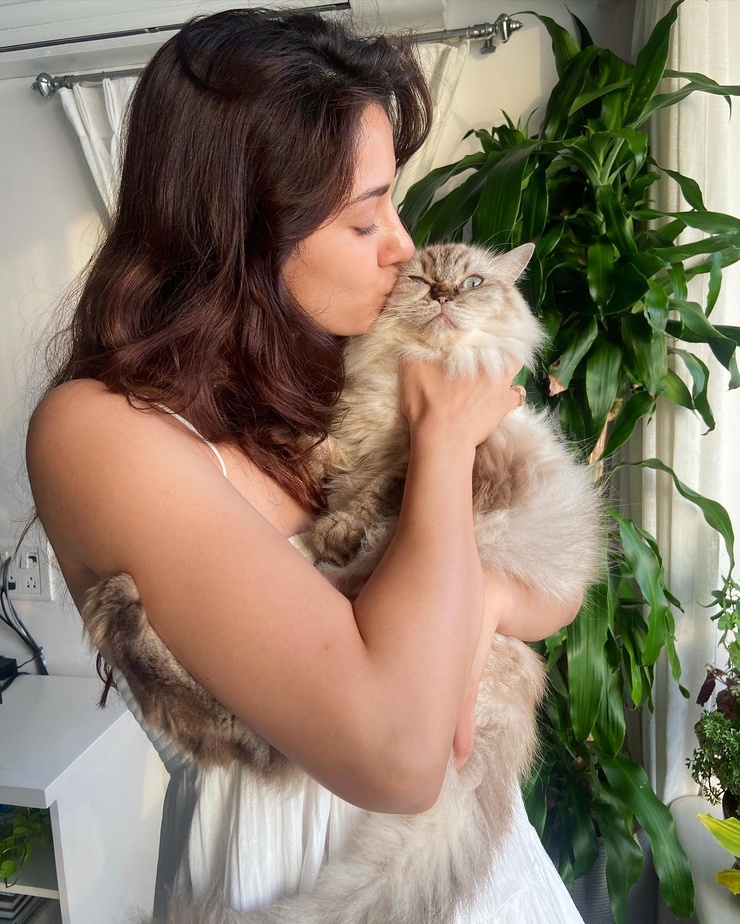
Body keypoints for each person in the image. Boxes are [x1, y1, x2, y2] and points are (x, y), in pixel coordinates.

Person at [26, 8, 584, 922]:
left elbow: (555, 578)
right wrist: (443, 450)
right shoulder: (101, 435)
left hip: (477, 873)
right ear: (244, 231)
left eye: (393, 204)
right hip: (293, 886)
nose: (403, 247)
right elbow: (398, 756)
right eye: (366, 220)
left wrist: (482, 600)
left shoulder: (340, 364)